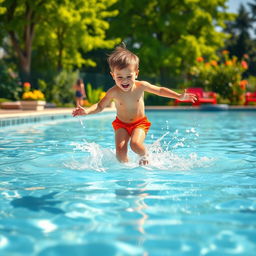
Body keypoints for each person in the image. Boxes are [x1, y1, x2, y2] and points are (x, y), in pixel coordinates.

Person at [72, 45, 197, 165]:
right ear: (112, 75)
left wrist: (178, 96)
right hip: (121, 124)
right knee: (120, 152)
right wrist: (87, 111)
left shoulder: (140, 86)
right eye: (119, 77)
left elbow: (159, 90)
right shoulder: (113, 91)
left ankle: (145, 154)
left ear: (136, 73)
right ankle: (127, 169)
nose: (124, 80)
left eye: (129, 76)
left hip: (139, 123)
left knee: (135, 144)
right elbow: (99, 106)